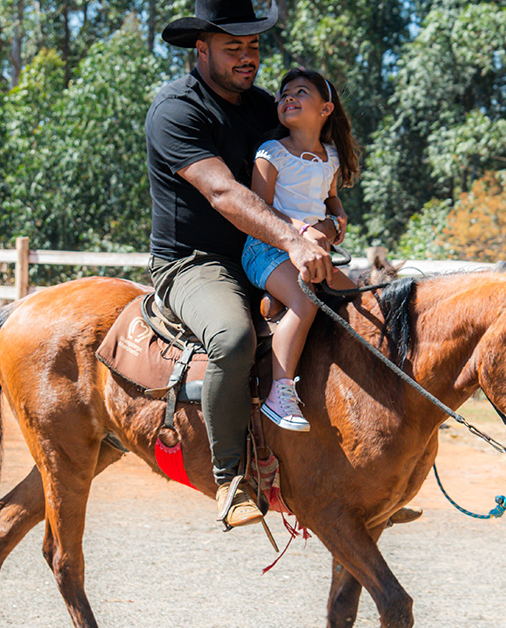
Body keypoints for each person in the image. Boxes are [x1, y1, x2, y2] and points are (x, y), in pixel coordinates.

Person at [147, 0, 333, 529]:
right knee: (231, 337)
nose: (248, 57)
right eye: (234, 48)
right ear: (201, 49)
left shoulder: (264, 107)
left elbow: (311, 156)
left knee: (350, 315)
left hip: (269, 252)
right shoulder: (176, 110)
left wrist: (329, 225)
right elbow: (224, 191)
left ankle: (346, 473)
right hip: (196, 261)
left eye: (253, 46)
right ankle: (230, 477)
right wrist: (293, 240)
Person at [242, 68, 359, 432]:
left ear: (325, 109)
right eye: (284, 93)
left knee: (356, 299)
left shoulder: (332, 157)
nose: (287, 97)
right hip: (266, 248)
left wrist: (337, 217)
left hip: (312, 250)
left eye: (300, 91)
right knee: (304, 300)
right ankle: (280, 391)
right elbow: (259, 209)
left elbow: (330, 197)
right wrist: (304, 230)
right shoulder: (271, 153)